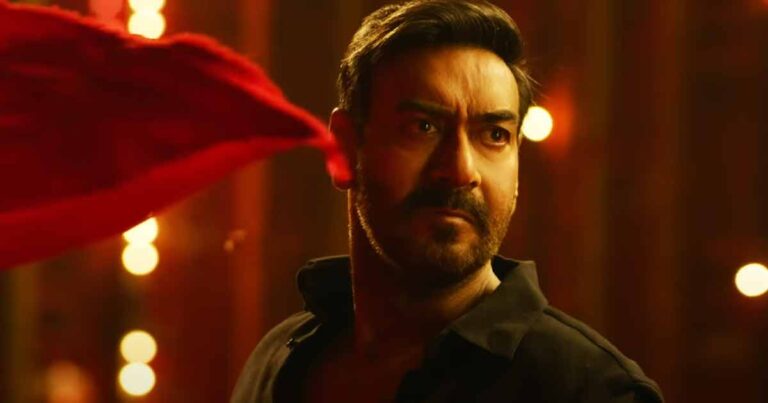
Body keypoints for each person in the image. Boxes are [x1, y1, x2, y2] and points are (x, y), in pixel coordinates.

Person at [231, 0, 664, 402]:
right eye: (423, 127)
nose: (460, 170)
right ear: (345, 149)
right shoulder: (278, 360)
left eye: (494, 135)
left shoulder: (591, 391)